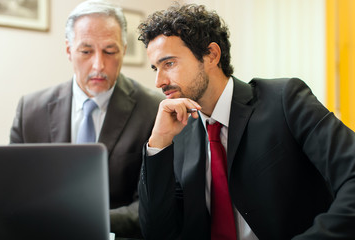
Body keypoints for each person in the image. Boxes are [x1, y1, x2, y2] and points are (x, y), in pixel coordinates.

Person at [137, 3, 355, 240]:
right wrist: (158, 143)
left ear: (212, 55)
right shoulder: (177, 132)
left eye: (169, 63)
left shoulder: (284, 99)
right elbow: (158, 232)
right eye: (155, 68)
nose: (159, 81)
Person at [10, 0, 164, 238]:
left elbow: (153, 205)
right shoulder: (30, 110)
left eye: (110, 51)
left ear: (123, 49)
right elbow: (14, 191)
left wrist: (81, 221)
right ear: (69, 50)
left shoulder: (153, 109)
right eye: (86, 51)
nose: (98, 65)